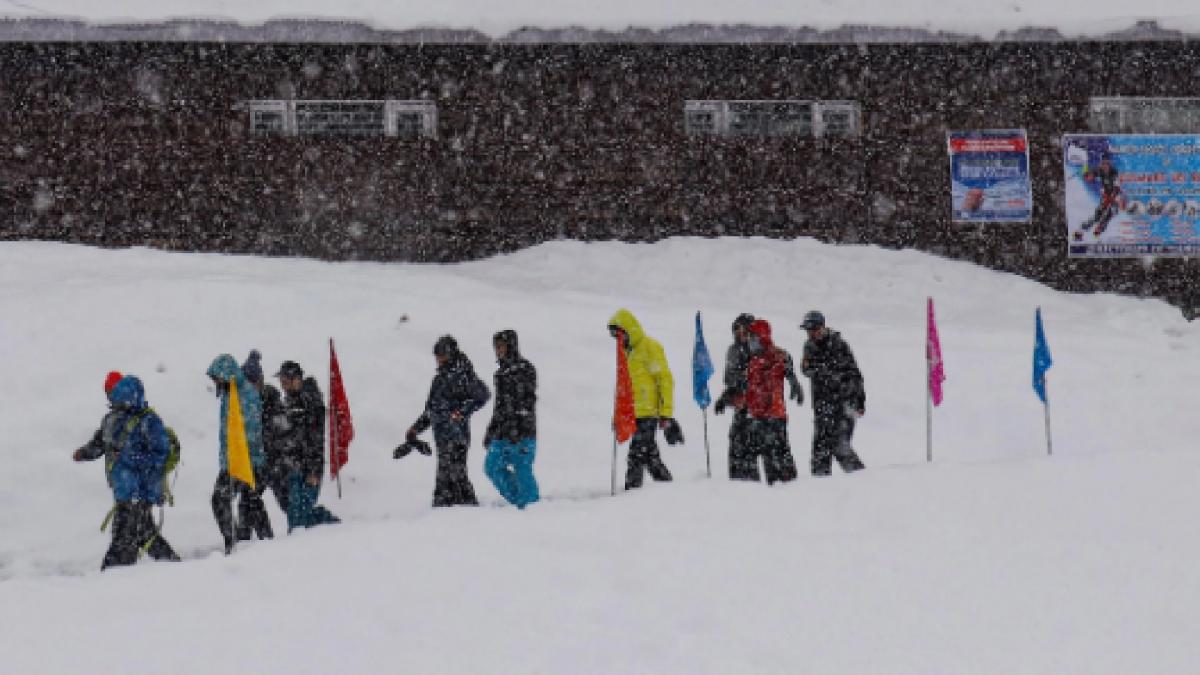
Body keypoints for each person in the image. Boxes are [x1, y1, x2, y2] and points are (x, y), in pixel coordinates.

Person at [91, 375, 180, 570]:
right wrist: (86, 453)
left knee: (124, 537)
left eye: (119, 398)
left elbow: (160, 455)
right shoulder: (120, 419)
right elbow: (102, 443)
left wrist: (130, 457)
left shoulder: (149, 421)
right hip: (126, 492)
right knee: (142, 534)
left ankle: (112, 574)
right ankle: (173, 566)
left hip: (139, 492)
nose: (114, 402)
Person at [406, 336, 490, 507]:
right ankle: (463, 509)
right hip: (442, 437)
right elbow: (432, 410)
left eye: (441, 354)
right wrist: (416, 428)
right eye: (436, 355)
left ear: (451, 353)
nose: (438, 359)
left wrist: (462, 412)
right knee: (454, 477)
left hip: (456, 436)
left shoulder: (463, 374)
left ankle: (454, 511)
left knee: (451, 477)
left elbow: (483, 394)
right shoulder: (439, 379)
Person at [607, 308, 682, 490]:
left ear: (628, 330)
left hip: (649, 412)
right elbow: (622, 388)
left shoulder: (649, 347)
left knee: (637, 454)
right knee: (649, 455)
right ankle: (667, 487)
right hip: (634, 412)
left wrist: (666, 413)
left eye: (619, 334)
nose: (618, 340)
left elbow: (664, 380)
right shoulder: (625, 354)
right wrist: (617, 416)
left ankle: (632, 492)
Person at [207, 353, 272, 553]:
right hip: (236, 461)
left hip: (247, 461)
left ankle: (236, 542)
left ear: (227, 374)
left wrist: (245, 458)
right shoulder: (231, 392)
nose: (216, 382)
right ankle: (261, 540)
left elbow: (252, 431)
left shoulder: (246, 394)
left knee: (226, 500)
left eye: (217, 377)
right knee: (250, 502)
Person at [275, 360, 339, 531]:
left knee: (300, 516)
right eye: (281, 383)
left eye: (286, 382)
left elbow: (314, 440)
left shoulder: (310, 401)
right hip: (292, 466)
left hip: (309, 467)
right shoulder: (289, 401)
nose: (283, 387)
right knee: (294, 515)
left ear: (297, 379)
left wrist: (312, 470)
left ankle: (329, 522)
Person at [800, 311, 866, 476]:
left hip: (844, 404)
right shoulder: (809, 346)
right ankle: (820, 488)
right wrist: (819, 370)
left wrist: (859, 401)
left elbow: (854, 374)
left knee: (840, 445)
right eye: (808, 330)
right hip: (822, 406)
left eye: (814, 329)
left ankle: (862, 479)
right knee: (820, 451)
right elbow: (806, 369)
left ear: (823, 327)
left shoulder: (839, 344)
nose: (811, 333)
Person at [482, 330, 540, 509]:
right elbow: (499, 406)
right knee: (491, 466)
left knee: (522, 470)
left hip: (523, 433)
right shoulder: (500, 374)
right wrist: (491, 431)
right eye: (496, 347)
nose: (498, 350)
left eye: (501, 346)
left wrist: (519, 426)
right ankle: (518, 502)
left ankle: (534, 507)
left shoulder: (525, 369)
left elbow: (528, 401)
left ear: (511, 346)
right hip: (502, 433)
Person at [744, 319, 802, 485]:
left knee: (780, 454)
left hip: (774, 415)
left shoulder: (775, 355)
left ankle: (791, 487)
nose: (750, 341)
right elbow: (752, 389)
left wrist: (793, 382)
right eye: (750, 338)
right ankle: (776, 492)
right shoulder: (753, 361)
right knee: (768, 459)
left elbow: (786, 363)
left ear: (762, 337)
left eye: (753, 337)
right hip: (758, 416)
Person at [713, 314, 757, 480]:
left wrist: (747, 392)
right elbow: (731, 381)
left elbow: (759, 380)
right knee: (736, 442)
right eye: (736, 331)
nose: (739, 335)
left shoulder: (759, 350)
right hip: (741, 408)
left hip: (758, 409)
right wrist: (725, 398)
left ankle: (754, 486)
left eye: (743, 331)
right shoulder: (734, 350)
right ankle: (736, 485)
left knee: (752, 446)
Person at [245, 350, 289, 514]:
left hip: (276, 462)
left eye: (253, 383)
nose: (250, 388)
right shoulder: (246, 403)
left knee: (289, 505)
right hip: (258, 462)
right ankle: (259, 538)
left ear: (261, 380)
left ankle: (311, 530)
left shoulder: (273, 399)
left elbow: (282, 429)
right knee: (248, 502)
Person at [1076, 152, 1123, 240]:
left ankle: (1099, 230)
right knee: (1097, 215)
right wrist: (1085, 172)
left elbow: (1117, 187)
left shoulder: (1114, 172)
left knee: (1110, 212)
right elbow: (1089, 177)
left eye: (1107, 163)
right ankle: (1082, 229)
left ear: (1110, 163)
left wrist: (1112, 197)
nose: (1104, 166)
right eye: (1103, 163)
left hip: (1115, 196)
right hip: (1106, 195)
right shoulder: (1099, 170)